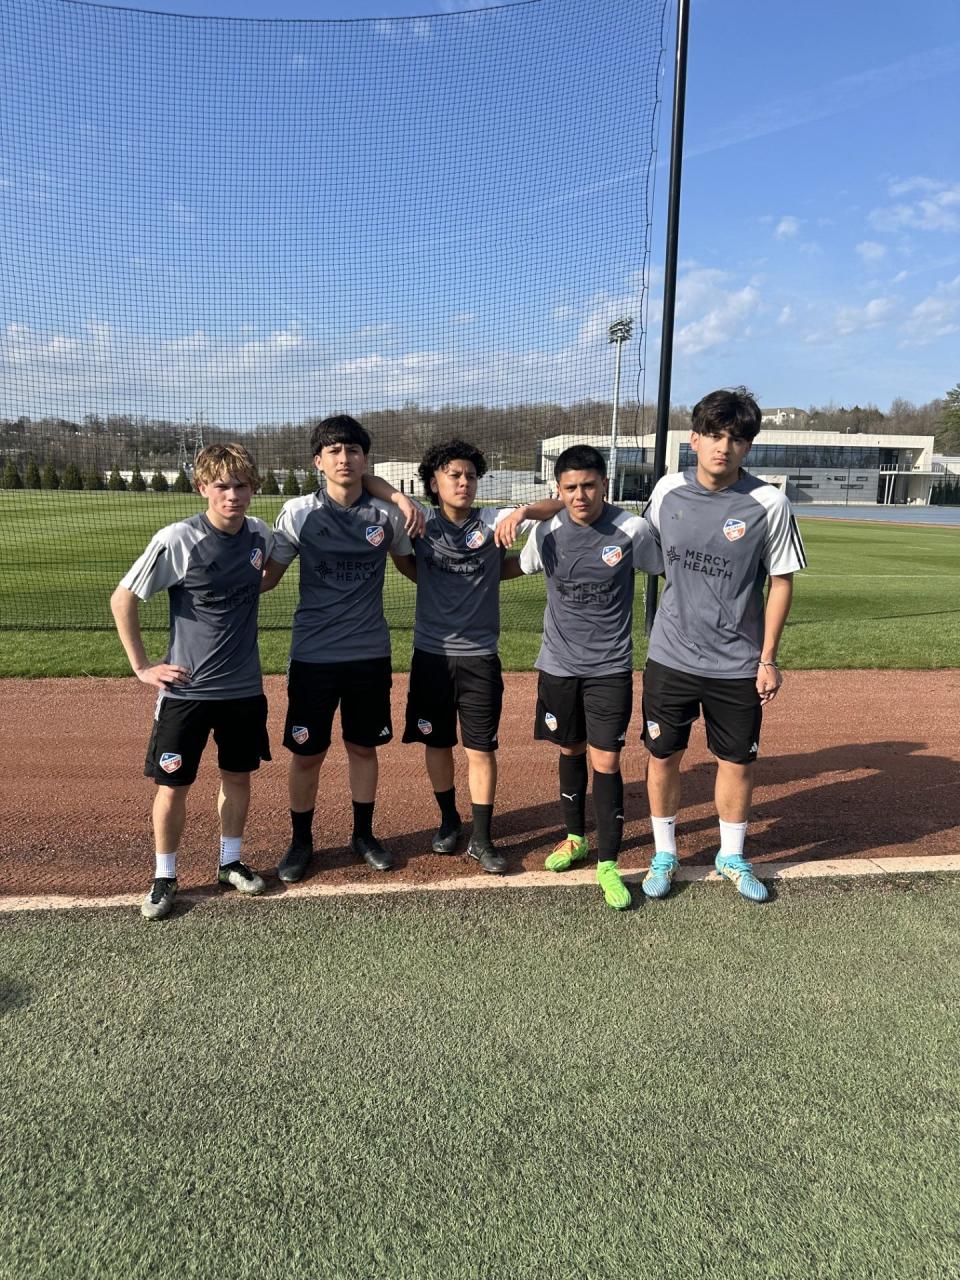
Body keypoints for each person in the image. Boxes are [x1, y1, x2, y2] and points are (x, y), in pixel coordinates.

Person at [639, 386, 807, 904]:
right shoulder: (667, 491)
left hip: (737, 662)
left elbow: (781, 580)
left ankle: (731, 855)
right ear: (693, 439)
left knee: (737, 762)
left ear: (748, 447)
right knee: (663, 755)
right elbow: (641, 547)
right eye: (714, 435)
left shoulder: (769, 503)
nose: (723, 446)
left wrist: (768, 659)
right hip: (670, 654)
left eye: (736, 438)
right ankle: (664, 851)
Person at [110, 443, 283, 922]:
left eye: (241, 485)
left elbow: (261, 579)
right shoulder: (178, 538)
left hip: (243, 690)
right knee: (173, 786)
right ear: (203, 487)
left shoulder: (260, 535)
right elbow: (123, 599)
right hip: (186, 692)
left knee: (238, 777)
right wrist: (143, 667)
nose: (233, 495)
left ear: (253, 488)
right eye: (222, 486)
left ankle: (230, 862)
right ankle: (164, 876)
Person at [261, 414, 420, 881]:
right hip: (313, 654)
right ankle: (300, 841)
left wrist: (466, 578)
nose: (344, 458)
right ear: (318, 461)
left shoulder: (387, 515)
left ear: (365, 459)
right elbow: (267, 578)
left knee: (363, 748)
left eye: (352, 450)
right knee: (307, 753)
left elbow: (414, 569)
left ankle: (364, 835)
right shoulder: (298, 513)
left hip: (369, 653)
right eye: (334, 451)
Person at [393, 439, 561, 874]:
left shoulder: (492, 520)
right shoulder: (422, 522)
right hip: (431, 655)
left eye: (470, 475)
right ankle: (449, 821)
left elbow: (557, 505)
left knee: (481, 748)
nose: (464, 482)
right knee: (436, 741)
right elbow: (404, 559)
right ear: (435, 482)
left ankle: (482, 838)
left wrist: (522, 512)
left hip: (480, 657)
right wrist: (396, 497)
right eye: (454, 475)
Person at [519, 444, 661, 910]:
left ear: (605, 484)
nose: (580, 495)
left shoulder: (631, 529)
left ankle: (608, 863)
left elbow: (661, 565)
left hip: (610, 668)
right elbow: (523, 566)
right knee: (569, 749)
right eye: (570, 487)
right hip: (557, 665)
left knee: (607, 761)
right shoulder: (546, 531)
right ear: (558, 490)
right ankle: (575, 838)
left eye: (589, 485)